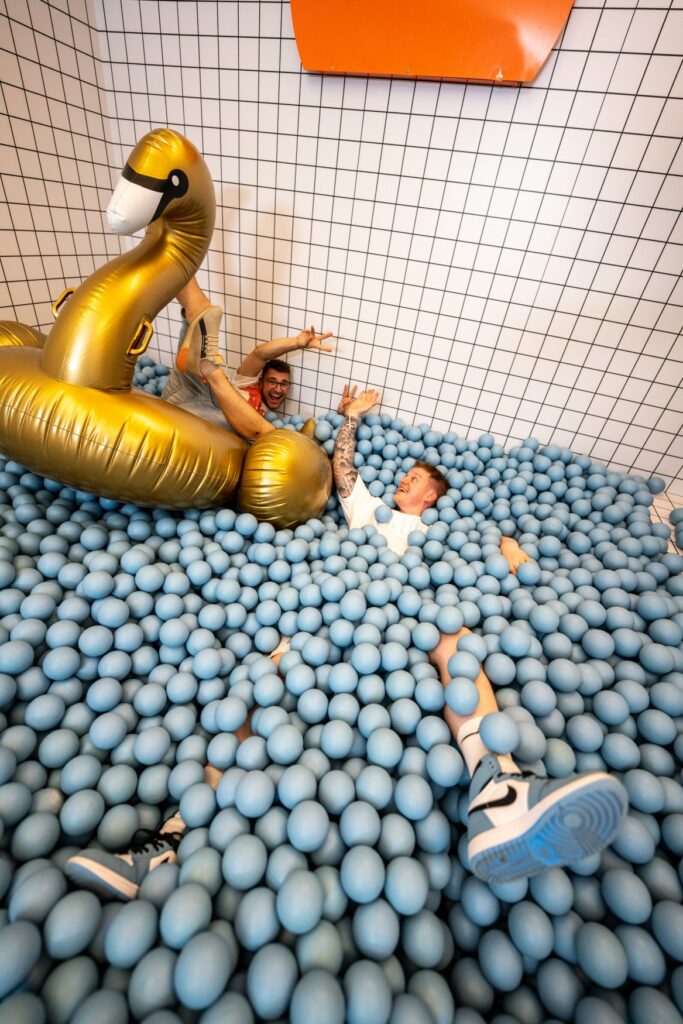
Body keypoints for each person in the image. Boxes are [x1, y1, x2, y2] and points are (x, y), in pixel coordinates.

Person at [333, 388, 628, 883]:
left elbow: (494, 562)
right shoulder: (369, 511)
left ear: (431, 497)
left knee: (455, 635)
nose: (402, 480)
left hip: (420, 615)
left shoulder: (441, 532)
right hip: (358, 607)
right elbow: (342, 467)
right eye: (403, 476)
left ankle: (498, 787)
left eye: (414, 479)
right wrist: (352, 419)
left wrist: (512, 550)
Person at [161, 277, 334, 439]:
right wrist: (296, 342)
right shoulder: (247, 386)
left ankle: (210, 368)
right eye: (272, 381)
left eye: (283, 384)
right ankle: (168, 250)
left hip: (197, 414)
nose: (278, 388)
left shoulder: (270, 421)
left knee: (263, 434)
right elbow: (260, 353)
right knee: (201, 310)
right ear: (260, 383)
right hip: (188, 386)